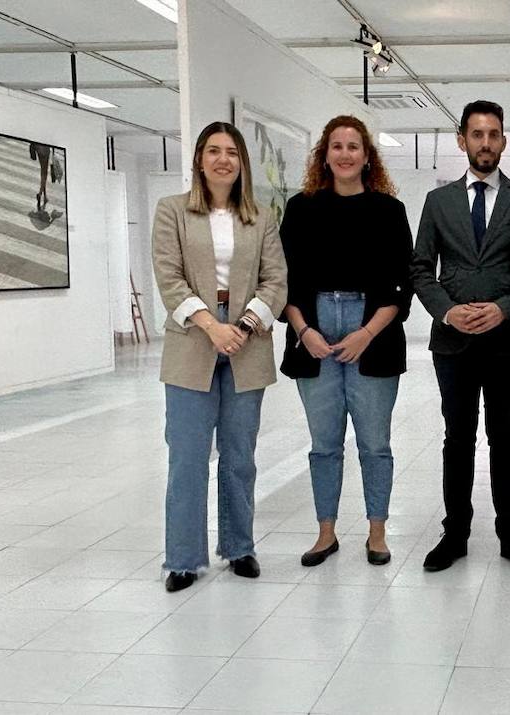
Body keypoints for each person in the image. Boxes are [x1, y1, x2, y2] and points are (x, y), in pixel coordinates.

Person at [410, 100, 510, 574]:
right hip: (452, 343)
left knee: (505, 435)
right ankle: (455, 534)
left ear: (504, 141)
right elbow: (420, 269)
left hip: (507, 341)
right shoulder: (439, 202)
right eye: (477, 134)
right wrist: (448, 311)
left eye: (494, 134)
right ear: (462, 141)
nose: (486, 143)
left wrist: (505, 307)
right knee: (457, 437)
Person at [151, 121, 287, 593]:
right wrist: (212, 325)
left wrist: (242, 326)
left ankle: (239, 547)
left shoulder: (261, 217)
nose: (223, 159)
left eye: (231, 152)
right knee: (187, 457)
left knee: (240, 456)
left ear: (242, 162)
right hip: (193, 338)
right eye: (213, 151)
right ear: (199, 159)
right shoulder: (172, 211)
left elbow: (276, 280)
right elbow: (169, 277)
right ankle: (183, 558)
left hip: (247, 340)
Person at [279, 115, 413, 567]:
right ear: (324, 155)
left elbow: (402, 285)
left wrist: (367, 333)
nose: (345, 154)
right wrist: (304, 331)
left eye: (353, 146)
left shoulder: (389, 211)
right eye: (336, 146)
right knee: (324, 444)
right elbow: (282, 281)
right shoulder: (300, 209)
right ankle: (326, 533)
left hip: (372, 331)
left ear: (367, 156)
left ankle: (377, 532)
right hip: (313, 330)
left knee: (374, 443)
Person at [29, 142, 52, 214]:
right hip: (45, 149)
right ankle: (40, 193)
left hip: (38, 148)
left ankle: (45, 196)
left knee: (42, 171)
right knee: (45, 172)